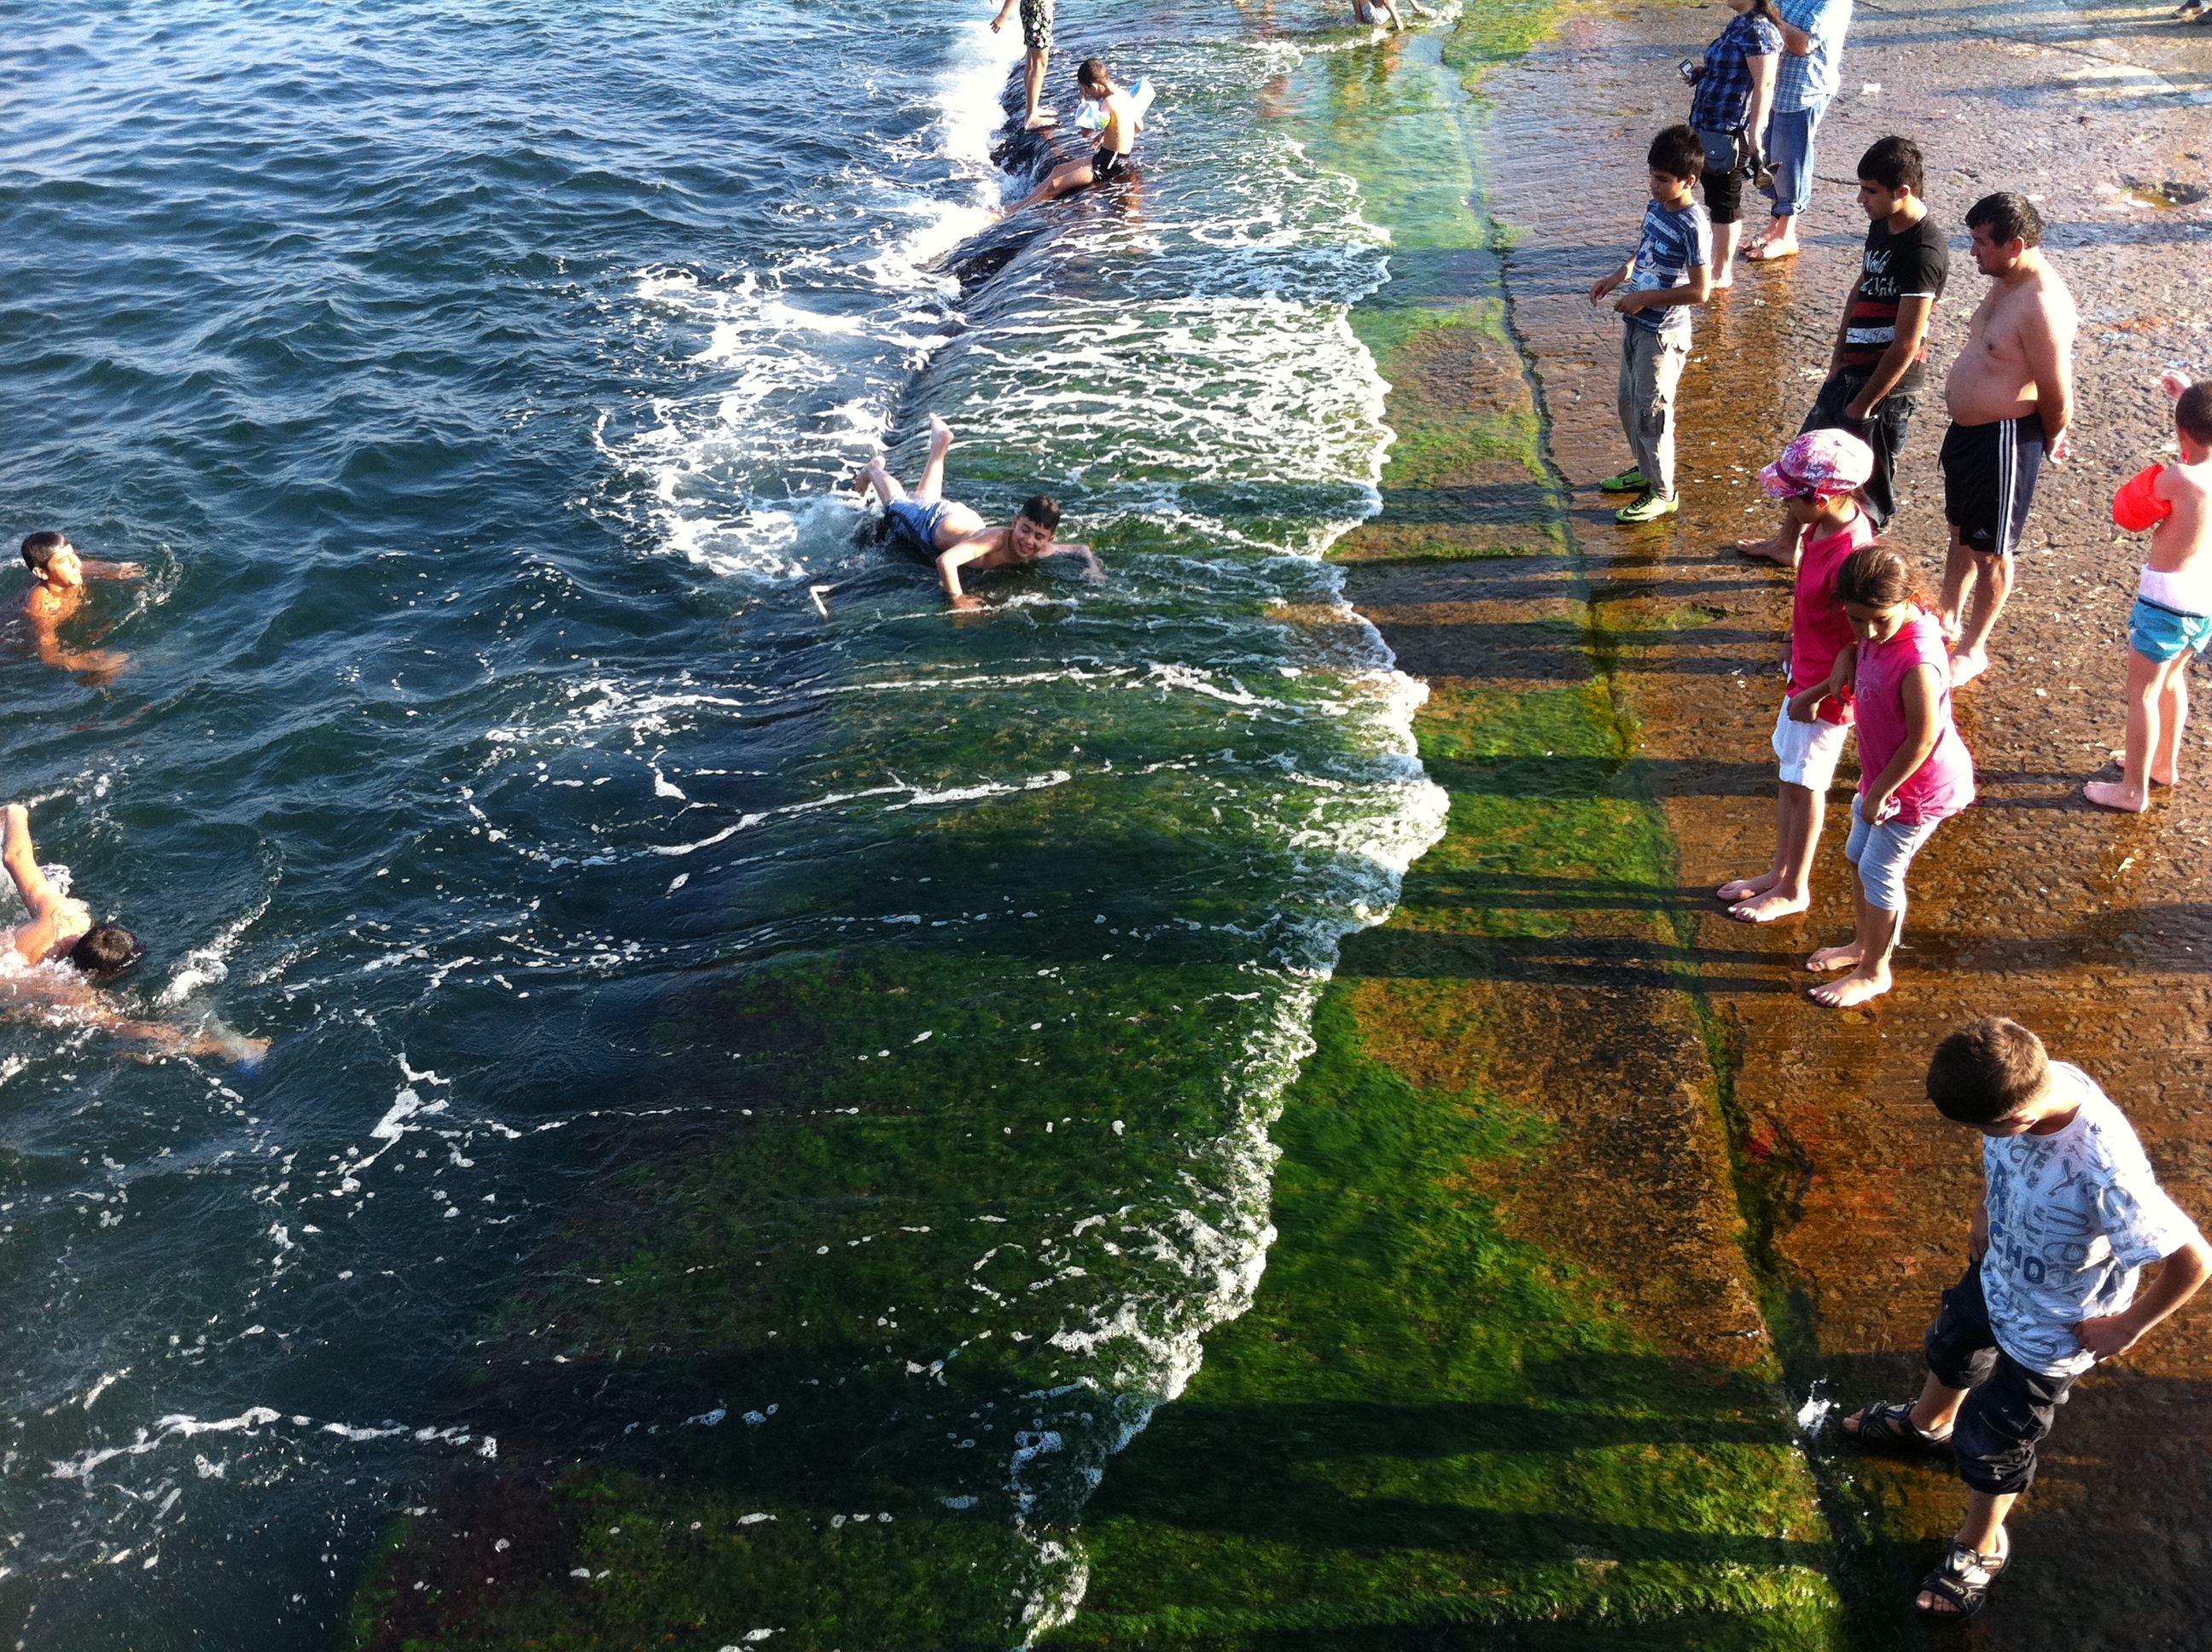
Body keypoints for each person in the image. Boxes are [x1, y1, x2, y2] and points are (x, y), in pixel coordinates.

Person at [1841, 1018, 2209, 1621]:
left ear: (2021, 1118)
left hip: (2054, 1327)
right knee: (1952, 1345)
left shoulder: (2104, 1170)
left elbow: (2194, 1261)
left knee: (1997, 1438)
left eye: (1987, 1129)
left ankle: (1980, 1543)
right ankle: (1928, 1424)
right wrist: (1986, 1208)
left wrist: (2126, 1327)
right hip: (2000, 1271)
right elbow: (1998, 1150)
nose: (1984, 1137)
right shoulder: (2030, 1077)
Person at [1738, 137, 1944, 567]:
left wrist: (1864, 404)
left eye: (1870, 190)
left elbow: (1908, 341)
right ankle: (1786, 544)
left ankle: (1860, 570)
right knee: (1803, 460)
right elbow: (1862, 286)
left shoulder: (1925, 251)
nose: (1860, 199)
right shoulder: (1883, 225)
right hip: (1849, 371)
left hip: (1885, 390)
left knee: (1870, 483)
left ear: (1902, 191)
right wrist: (1835, 361)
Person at [1801, 544, 1973, 1007]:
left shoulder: (1918, 660)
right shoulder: (1877, 636)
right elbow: (1861, 647)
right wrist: (1843, 659)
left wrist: (1880, 791)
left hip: (1916, 789)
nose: (1869, 631)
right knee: (1857, 855)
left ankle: (1875, 971)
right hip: (1883, 779)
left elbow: (1922, 739)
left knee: (1880, 872)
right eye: (1857, 619)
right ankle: (1862, 945)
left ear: (1908, 600)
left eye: (1880, 619)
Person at [1716, 429, 1877, 922]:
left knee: (1808, 785)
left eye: (1791, 497)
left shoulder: (1853, 557)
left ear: (1825, 498)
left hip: (1826, 692)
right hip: (1803, 674)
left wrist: (1817, 694)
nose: (1786, 506)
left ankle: (1795, 888)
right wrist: (1790, 636)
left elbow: (1861, 643)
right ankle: (1779, 871)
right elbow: (1808, 598)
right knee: (1789, 776)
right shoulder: (1816, 529)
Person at [1938, 191, 2078, 687]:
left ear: (2015, 244)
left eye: (1980, 243)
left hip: (2005, 440)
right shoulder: (2005, 278)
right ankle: (1947, 617)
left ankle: (1974, 649)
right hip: (1969, 435)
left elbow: (2056, 390)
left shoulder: (2041, 303)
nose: (1972, 251)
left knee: (1992, 550)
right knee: (1960, 530)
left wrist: (2053, 435)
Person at [1, 802, 265, 1062]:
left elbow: (15, 856)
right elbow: (130, 1030)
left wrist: (14, 811)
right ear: (99, 973)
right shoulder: (64, 991)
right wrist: (223, 1047)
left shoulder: (61, 917)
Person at [2085, 372, 2212, 811]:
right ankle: (2164, 766)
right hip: (2202, 603)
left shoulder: (2179, 479)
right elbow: (2199, 439)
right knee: (2173, 681)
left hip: (2165, 602)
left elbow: (2130, 514)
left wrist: (2187, 409)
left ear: (2182, 433)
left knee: (2141, 695)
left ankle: (2132, 790)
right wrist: (2188, 396)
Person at [1589, 125, 1713, 526]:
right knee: (1629, 404)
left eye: (1663, 180)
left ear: (1688, 181)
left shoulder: (1694, 225)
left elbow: (1700, 292)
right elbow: (1642, 254)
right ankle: (1644, 473)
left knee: (1653, 412)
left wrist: (1643, 299)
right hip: (1636, 324)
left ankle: (1663, 492)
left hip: (1663, 334)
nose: (1654, 186)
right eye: (1652, 176)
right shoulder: (1656, 207)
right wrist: (1617, 277)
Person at [849, 414, 1100, 608]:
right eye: (1025, 530)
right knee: (896, 504)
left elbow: (1081, 550)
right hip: (933, 523)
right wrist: (958, 599)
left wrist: (1093, 569)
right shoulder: (994, 540)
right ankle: (874, 469)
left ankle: (940, 444)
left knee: (923, 498)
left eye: (1038, 536)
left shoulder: (1041, 549)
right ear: (1015, 522)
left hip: (960, 520)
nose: (1028, 540)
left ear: (1049, 539)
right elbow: (945, 561)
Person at [1684, 0, 1783, 289]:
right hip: (1709, 124)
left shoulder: (1759, 31)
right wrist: (1704, 72)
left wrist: (1755, 137)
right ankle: (1714, 263)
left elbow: (1764, 85)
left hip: (1731, 129)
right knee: (1714, 195)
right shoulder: (1740, 24)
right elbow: (1734, 71)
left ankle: (1721, 272)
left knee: (1725, 201)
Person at [1745, 0, 1852, 263]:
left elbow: (1802, 43)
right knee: (1772, 156)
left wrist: (1761, 14)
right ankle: (1774, 226)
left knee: (1792, 159)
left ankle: (1787, 233)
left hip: (1805, 88)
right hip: (1777, 85)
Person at [994, 59, 1143, 219]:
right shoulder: (1125, 96)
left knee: (1055, 185)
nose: (1089, 94)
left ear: (1094, 86)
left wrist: (1083, 102)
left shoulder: (1107, 103)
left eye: (1088, 90)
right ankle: (1013, 207)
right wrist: (1107, 135)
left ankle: (1012, 214)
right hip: (1109, 157)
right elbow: (1138, 126)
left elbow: (1087, 132)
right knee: (1056, 171)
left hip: (1108, 166)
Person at [19, 530, 143, 683]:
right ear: (42, 573)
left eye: (73, 554)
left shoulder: (70, 574)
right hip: (15, 642)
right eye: (64, 560)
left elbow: (113, 571)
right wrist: (94, 661)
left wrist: (124, 572)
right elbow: (50, 655)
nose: (76, 563)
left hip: (72, 621)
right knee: (119, 664)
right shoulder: (44, 606)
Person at [989, 0, 1057, 132]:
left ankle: (1033, 109)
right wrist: (1003, 15)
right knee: (1040, 63)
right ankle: (1031, 116)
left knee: (1032, 60)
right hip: (1037, 11)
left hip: (1035, 9)